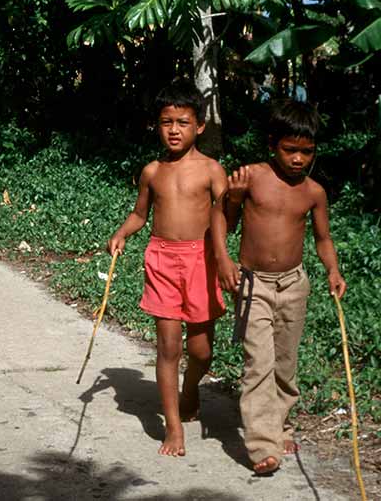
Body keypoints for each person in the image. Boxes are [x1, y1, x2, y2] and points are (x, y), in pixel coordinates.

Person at [211, 99, 346, 476]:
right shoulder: (250, 177)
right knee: (259, 364)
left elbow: (322, 239)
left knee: (285, 364)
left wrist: (332, 269)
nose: (299, 159)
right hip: (253, 285)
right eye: (290, 150)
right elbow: (221, 219)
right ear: (272, 144)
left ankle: (280, 422)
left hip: (294, 285)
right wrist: (223, 259)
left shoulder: (313, 192)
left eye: (307, 152)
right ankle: (262, 446)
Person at [106, 80, 228, 457]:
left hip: (201, 262)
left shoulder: (212, 170)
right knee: (168, 348)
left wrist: (225, 258)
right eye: (166, 122)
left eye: (183, 122)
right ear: (156, 125)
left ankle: (190, 389)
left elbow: (225, 218)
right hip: (161, 259)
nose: (174, 130)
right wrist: (122, 232)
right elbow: (140, 214)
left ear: (200, 126)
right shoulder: (152, 171)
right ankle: (173, 428)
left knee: (202, 351)